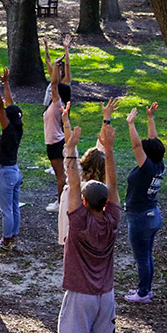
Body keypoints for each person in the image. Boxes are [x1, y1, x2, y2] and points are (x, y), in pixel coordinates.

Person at [52, 103, 121, 333]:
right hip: (106, 293)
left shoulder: (78, 221)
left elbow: (74, 180)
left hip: (80, 294)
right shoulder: (113, 218)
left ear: (82, 202)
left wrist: (69, 150)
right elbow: (114, 185)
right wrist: (109, 150)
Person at [57, 98, 116, 246]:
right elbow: (102, 147)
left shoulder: (76, 178)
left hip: (72, 229)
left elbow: (70, 148)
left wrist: (66, 123)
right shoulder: (102, 187)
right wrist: (106, 119)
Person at [123, 103, 166, 303]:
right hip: (152, 215)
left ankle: (142, 293)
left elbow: (136, 146)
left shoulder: (147, 167)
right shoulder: (159, 163)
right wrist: (150, 118)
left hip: (140, 218)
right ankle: (146, 289)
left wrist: (131, 124)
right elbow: (154, 141)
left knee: (142, 257)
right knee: (147, 255)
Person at [0, 68, 23, 252]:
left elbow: (0, 108)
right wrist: (6, 83)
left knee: (6, 210)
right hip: (15, 172)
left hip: (6, 172)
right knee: (14, 207)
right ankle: (13, 237)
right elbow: (9, 107)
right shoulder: (17, 127)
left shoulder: (8, 130)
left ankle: (6, 240)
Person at [43, 35, 73, 212]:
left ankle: (61, 203)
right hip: (56, 139)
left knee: (61, 175)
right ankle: (64, 201)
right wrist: (47, 49)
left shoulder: (57, 101)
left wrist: (64, 53)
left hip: (55, 141)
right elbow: (53, 81)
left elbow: (55, 82)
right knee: (62, 173)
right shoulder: (57, 103)